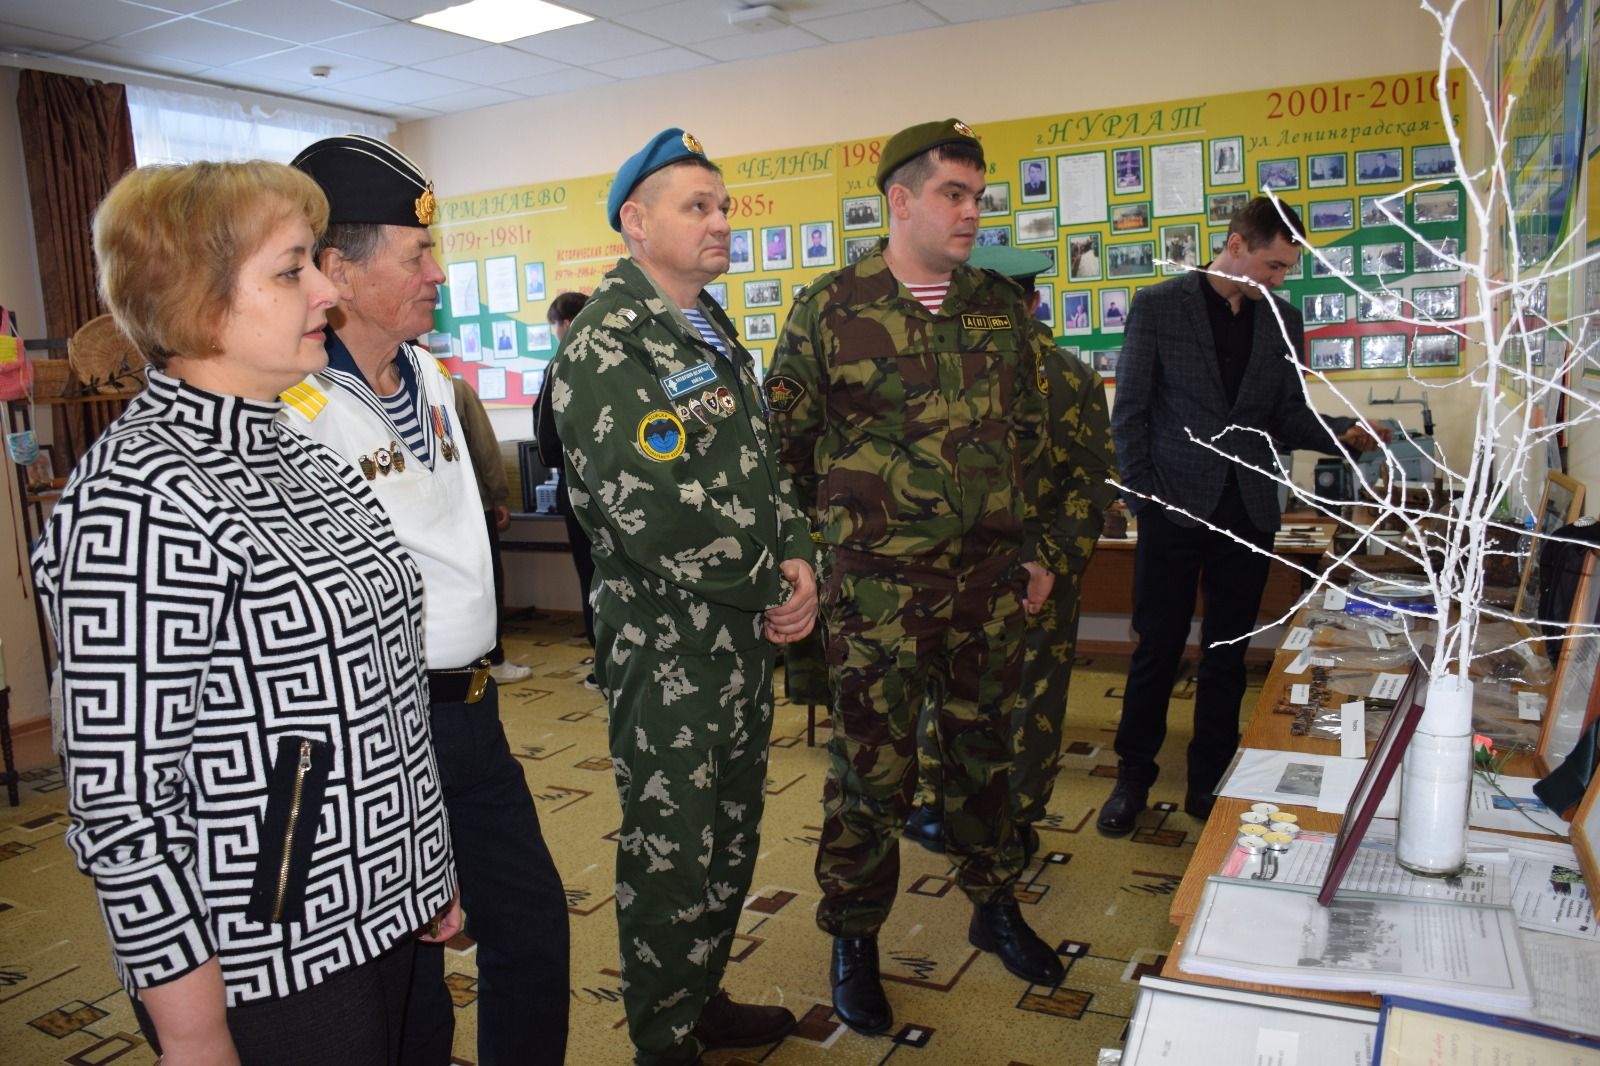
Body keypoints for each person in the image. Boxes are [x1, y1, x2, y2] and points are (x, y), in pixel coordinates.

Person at [34, 160, 458, 1065]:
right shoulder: (139, 497)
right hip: (272, 955)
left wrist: (426, 866)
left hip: (385, 910)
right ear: (195, 298)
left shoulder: (297, 452)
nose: (324, 292)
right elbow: (120, 804)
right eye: (291, 269)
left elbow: (382, 689)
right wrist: (190, 1027)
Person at [766, 119, 1071, 1037]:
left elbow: (1031, 439)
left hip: (987, 586)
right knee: (873, 771)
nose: (974, 211)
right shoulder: (832, 308)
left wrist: (1041, 552)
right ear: (900, 201)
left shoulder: (991, 306)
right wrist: (806, 557)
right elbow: (783, 450)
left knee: (985, 756)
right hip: (878, 595)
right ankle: (853, 936)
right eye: (955, 194)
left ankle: (994, 899)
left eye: (979, 195)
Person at [284, 136, 569, 1066]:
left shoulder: (437, 384)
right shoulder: (290, 407)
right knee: (400, 980)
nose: (439, 274)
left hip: (473, 719)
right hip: (376, 729)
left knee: (530, 930)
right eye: (417, 256)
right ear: (339, 270)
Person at [548, 128, 816, 1066]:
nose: (719, 222)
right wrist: (764, 585)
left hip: (738, 637)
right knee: (672, 848)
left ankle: (702, 997)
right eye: (696, 206)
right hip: (668, 648)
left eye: (724, 206)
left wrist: (797, 559)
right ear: (636, 222)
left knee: (733, 835)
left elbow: (763, 467)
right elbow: (646, 510)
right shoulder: (607, 343)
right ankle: (662, 1040)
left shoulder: (710, 327)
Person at [1098, 197, 1387, 836]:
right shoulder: (1159, 305)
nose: (1280, 280)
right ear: (1235, 244)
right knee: (1159, 647)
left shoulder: (1281, 318)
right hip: (1174, 506)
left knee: (1228, 651)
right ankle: (1132, 777)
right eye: (1273, 265)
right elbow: (1132, 413)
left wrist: (1344, 430)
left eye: (1286, 269)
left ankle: (1209, 779)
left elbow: (1286, 414)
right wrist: (1145, 498)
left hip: (1251, 507)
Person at [904, 246, 1117, 863]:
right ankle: (953, 811)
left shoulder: (1067, 378)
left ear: (1028, 305)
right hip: (971, 565)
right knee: (964, 690)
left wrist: (1050, 562)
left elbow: (1092, 479)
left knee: (1022, 698)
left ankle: (1006, 819)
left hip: (1022, 565)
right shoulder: (944, 371)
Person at [452, 374, 535, 685]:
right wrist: (500, 495)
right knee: (486, 583)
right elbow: (484, 446)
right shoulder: (452, 386)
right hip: (473, 505)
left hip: (427, 515)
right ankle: (494, 659)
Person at [534, 291, 597, 687]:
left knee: (591, 578)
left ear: (567, 323)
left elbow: (546, 444)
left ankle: (605, 664)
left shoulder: (561, 366)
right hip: (631, 493)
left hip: (579, 493)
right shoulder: (626, 359)